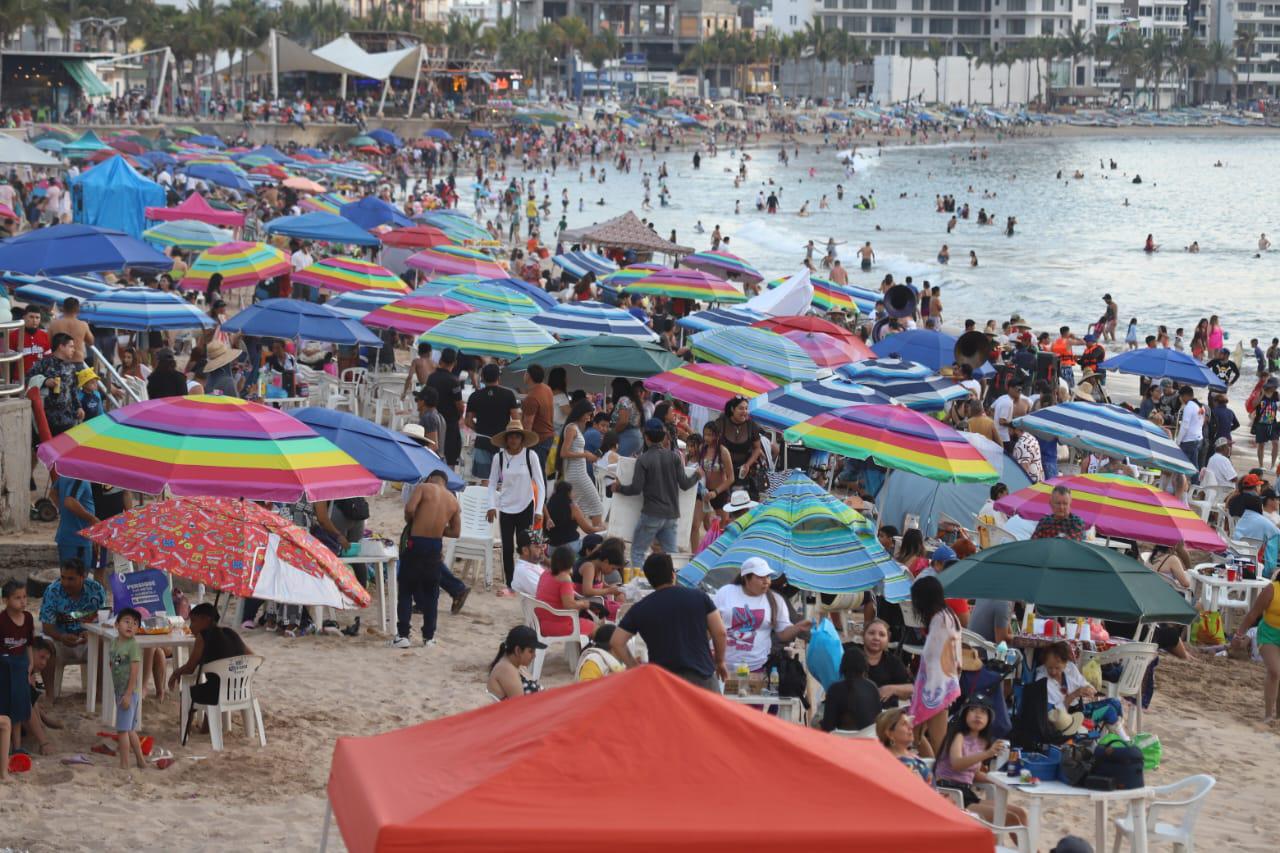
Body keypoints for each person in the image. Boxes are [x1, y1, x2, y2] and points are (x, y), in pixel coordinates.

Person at [611, 553, 728, 690]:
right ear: (673, 575)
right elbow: (720, 633)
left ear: (649, 580)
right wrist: (720, 662)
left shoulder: (640, 608)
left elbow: (616, 642)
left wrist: (634, 667)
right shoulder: (699, 597)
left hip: (664, 683)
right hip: (702, 678)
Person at [616, 418, 699, 566]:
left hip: (652, 514)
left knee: (637, 552)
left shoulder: (643, 459)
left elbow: (636, 488)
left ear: (646, 437)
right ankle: (671, 579)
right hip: (671, 515)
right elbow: (685, 484)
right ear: (663, 437)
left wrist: (619, 488)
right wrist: (697, 475)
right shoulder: (674, 457)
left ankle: (640, 579)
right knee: (672, 556)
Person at [934, 701, 1028, 831]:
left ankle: (1028, 845)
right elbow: (957, 764)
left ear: (989, 719)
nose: (978, 715)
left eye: (983, 712)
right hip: (949, 792)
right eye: (973, 710)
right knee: (1009, 817)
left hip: (967, 793)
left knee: (1020, 813)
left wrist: (1001, 780)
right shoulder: (958, 736)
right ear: (964, 715)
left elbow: (974, 774)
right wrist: (988, 753)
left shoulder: (982, 741)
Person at [397, 469, 461, 648]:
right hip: (435, 545)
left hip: (416, 542)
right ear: (445, 483)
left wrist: (414, 521)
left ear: (431, 478)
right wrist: (439, 528)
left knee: (406, 588)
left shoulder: (424, 488)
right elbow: (455, 532)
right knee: (432, 593)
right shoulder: (453, 500)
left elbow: (409, 509)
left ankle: (403, 635)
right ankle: (429, 637)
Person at [714, 558, 810, 675]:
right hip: (720, 667)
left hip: (757, 668)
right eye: (760, 577)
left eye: (768, 576)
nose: (766, 581)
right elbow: (709, 625)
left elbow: (783, 634)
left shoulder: (776, 600)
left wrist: (798, 627)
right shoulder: (725, 593)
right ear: (746, 578)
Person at [486, 418, 545, 596]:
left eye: (517, 436)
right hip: (506, 507)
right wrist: (491, 506)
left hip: (526, 505)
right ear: (506, 439)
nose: (513, 440)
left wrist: (539, 510)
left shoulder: (530, 456)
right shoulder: (499, 457)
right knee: (507, 547)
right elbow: (492, 483)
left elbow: (540, 484)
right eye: (510, 436)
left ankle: (525, 581)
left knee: (524, 546)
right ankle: (510, 583)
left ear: (522, 438)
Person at [907, 576, 962, 753]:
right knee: (916, 735)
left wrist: (925, 691)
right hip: (944, 684)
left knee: (934, 740)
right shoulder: (948, 616)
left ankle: (938, 769)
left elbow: (933, 660)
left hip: (937, 689)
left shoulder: (941, 621)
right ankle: (931, 767)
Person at [167, 602, 250, 706]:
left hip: (217, 694)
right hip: (240, 691)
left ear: (206, 619)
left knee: (185, 694)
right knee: (209, 687)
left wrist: (176, 673)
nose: (190, 626)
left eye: (193, 621)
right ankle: (209, 718)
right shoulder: (231, 632)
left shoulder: (203, 636)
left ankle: (191, 718)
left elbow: (189, 668)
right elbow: (251, 656)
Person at [1234, 573, 1280, 722]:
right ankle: (1268, 715)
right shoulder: (1272, 589)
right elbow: (1253, 614)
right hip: (1269, 634)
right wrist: (1239, 635)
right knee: (1274, 671)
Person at [464, 363, 519, 483]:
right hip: (503, 442)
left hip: (482, 441)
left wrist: (478, 429)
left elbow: (468, 421)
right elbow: (516, 420)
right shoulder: (508, 395)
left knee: (485, 479)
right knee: (501, 480)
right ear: (498, 377)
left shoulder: (475, 396)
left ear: (482, 377)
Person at [109, 607, 148, 769]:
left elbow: (134, 672)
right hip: (120, 691)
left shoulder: (133, 646)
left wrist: (128, 694)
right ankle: (140, 761)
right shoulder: (114, 642)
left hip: (128, 693)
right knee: (130, 729)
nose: (131, 625)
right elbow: (115, 660)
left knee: (122, 731)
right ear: (117, 624)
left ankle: (124, 764)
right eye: (127, 622)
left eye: (135, 623)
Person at [557, 399, 603, 525]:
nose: (589, 418)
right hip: (577, 473)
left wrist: (586, 454)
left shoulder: (574, 427)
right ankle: (595, 532)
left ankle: (571, 530)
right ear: (581, 412)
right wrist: (585, 454)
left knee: (575, 507)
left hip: (577, 472)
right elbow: (564, 453)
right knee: (596, 505)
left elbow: (570, 451)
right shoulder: (572, 428)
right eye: (587, 414)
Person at [535, 545, 597, 638]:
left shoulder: (546, 573)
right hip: (558, 625)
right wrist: (585, 604)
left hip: (542, 623)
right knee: (595, 628)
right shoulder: (564, 578)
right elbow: (569, 605)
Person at [28, 332, 82, 435]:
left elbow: (74, 390)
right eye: (71, 346)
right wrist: (44, 381)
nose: (73, 350)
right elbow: (28, 379)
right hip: (47, 420)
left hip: (68, 419)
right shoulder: (44, 363)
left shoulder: (71, 367)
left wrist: (79, 407)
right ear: (61, 346)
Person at [820, 644, 882, 732]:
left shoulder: (834, 689)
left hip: (842, 738)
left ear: (843, 666)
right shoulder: (872, 687)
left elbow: (828, 726)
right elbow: (878, 720)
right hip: (868, 737)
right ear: (864, 666)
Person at [693, 421, 734, 552]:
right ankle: (694, 555)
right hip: (703, 491)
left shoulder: (723, 452)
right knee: (695, 525)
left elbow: (731, 478)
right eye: (705, 434)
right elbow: (694, 465)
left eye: (710, 435)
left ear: (717, 435)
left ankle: (718, 554)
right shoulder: (702, 449)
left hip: (719, 492)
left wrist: (716, 492)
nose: (707, 438)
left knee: (722, 528)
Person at [718, 396, 765, 497]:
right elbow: (712, 443)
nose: (744, 411)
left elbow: (757, 448)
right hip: (723, 471)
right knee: (725, 500)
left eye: (746, 408)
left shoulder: (751, 426)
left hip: (744, 471)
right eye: (741, 408)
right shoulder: (721, 423)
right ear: (732, 409)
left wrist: (748, 464)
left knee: (742, 500)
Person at [860, 619, 913, 707]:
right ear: (863, 635)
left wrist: (892, 689)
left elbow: (912, 688)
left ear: (888, 639)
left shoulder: (893, 662)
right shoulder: (851, 653)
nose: (876, 638)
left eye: (882, 635)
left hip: (885, 712)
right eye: (871, 633)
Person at [544, 479, 603, 555]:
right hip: (571, 548)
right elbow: (588, 530)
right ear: (569, 493)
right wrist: (600, 528)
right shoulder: (573, 507)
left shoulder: (548, 506)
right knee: (595, 540)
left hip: (552, 549)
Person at [486, 625, 546, 700]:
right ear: (518, 651)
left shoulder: (515, 666)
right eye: (531, 651)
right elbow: (519, 704)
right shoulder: (506, 669)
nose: (534, 656)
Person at [427, 347, 463, 466]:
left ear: (440, 360)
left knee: (431, 453)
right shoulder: (454, 381)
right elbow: (460, 406)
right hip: (449, 423)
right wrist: (459, 417)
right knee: (450, 456)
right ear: (455, 363)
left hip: (432, 420)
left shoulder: (431, 378)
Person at [54, 474, 97, 567]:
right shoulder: (80, 477)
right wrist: (92, 519)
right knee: (78, 574)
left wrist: (63, 511)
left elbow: (53, 493)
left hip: (69, 538)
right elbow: (70, 501)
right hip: (77, 540)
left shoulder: (65, 475)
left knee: (69, 573)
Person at [520, 364, 556, 471]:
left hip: (538, 439)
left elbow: (528, 424)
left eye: (525, 372)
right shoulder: (547, 388)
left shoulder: (532, 398)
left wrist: (523, 445)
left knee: (535, 472)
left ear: (528, 376)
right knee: (539, 471)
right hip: (548, 436)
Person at [878, 707, 932, 778]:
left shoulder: (906, 755)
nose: (911, 727)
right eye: (904, 724)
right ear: (890, 734)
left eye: (909, 723)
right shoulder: (899, 765)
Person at [608, 377, 642, 457]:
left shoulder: (624, 400)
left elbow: (623, 421)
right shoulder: (634, 400)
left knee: (619, 462)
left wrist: (612, 433)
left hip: (626, 436)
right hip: (636, 436)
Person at [1251, 377, 1280, 468]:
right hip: (1261, 423)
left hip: (1273, 423)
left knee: (1276, 443)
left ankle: (1272, 466)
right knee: (1261, 445)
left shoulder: (1276, 395)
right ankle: (1261, 465)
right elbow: (1253, 405)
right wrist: (1262, 395)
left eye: (1276, 386)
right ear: (1270, 385)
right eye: (1274, 386)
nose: (1275, 388)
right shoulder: (1261, 393)